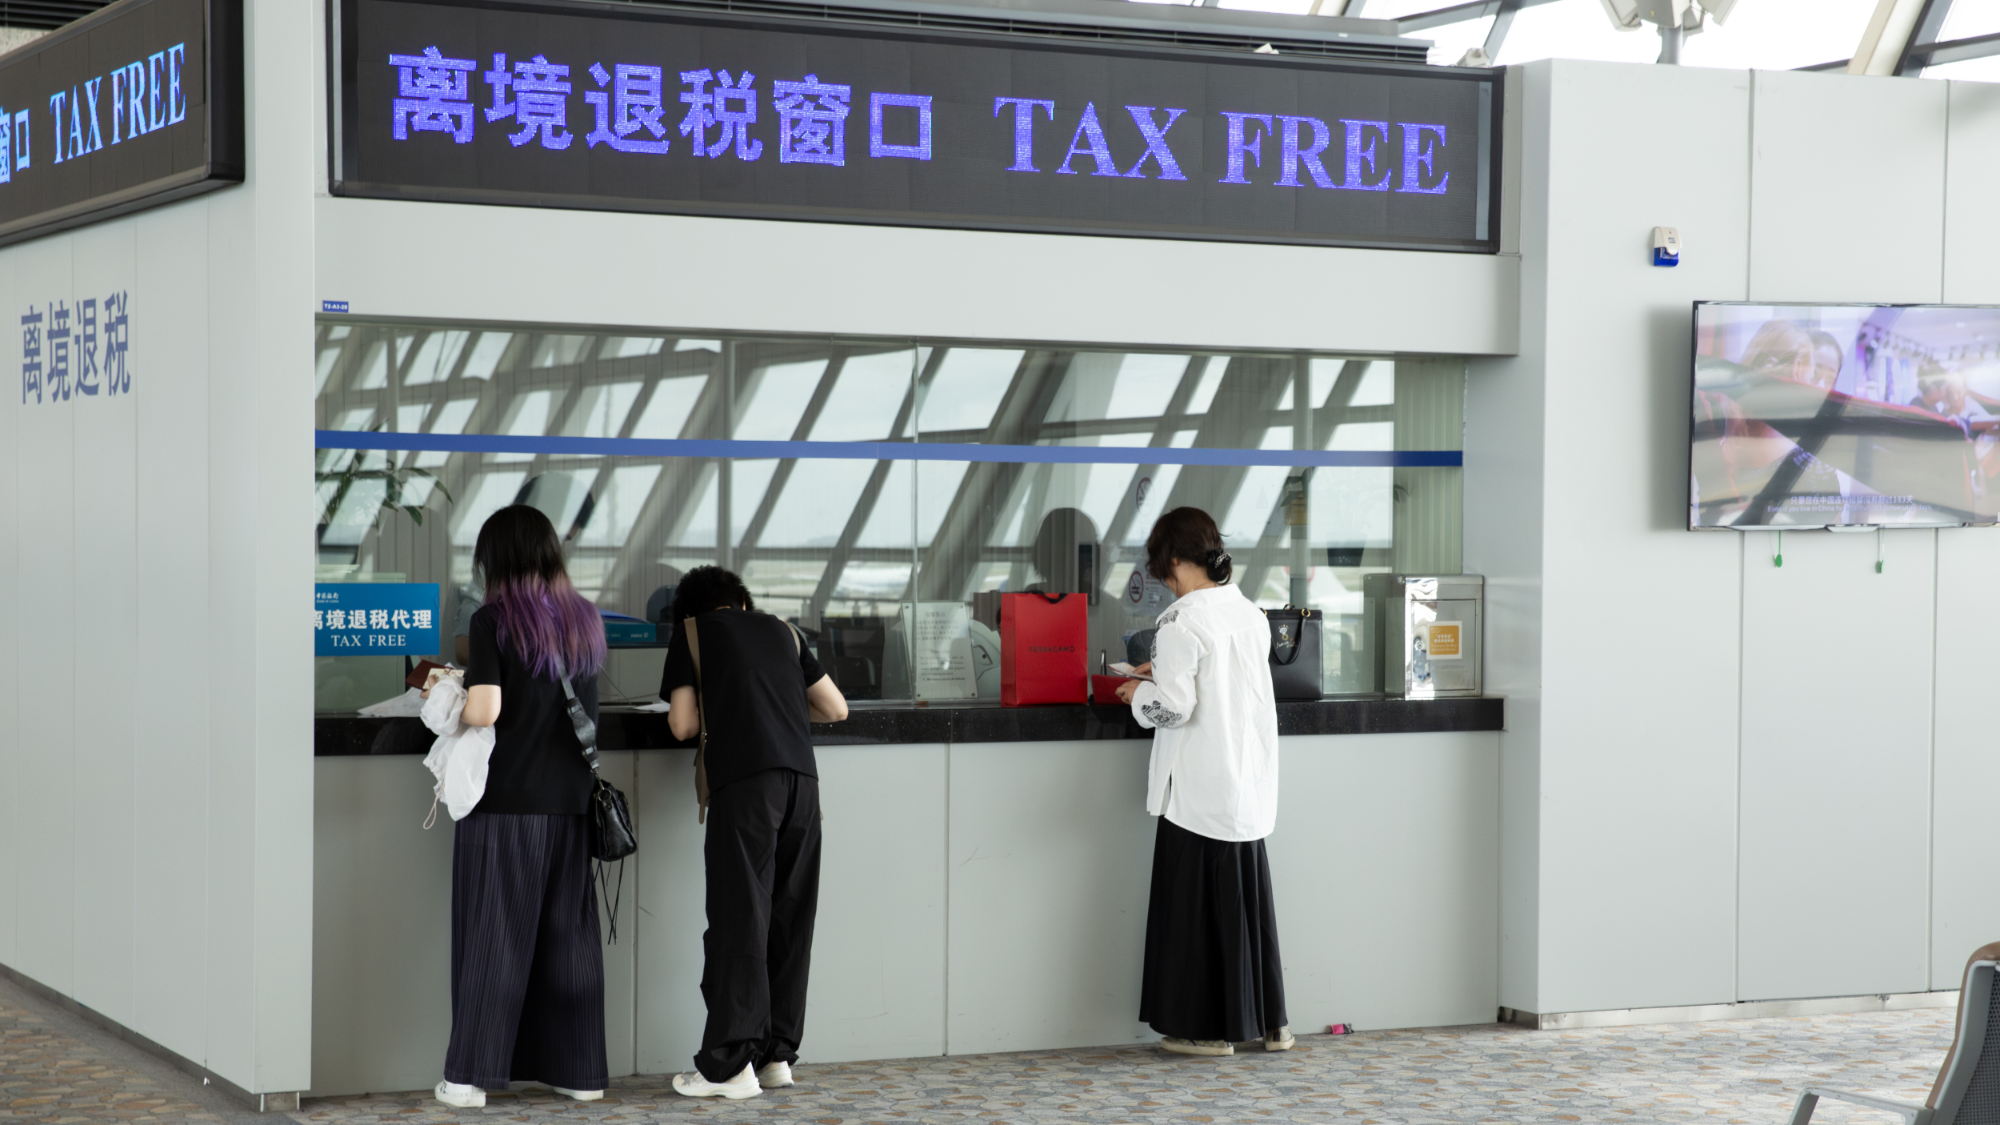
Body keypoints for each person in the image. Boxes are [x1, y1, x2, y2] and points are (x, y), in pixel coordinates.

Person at [435, 504, 610, 1109]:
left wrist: (444, 697)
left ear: (498, 558)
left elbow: (485, 709)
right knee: (569, 941)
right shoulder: (584, 619)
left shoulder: (494, 619)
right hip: (572, 804)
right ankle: (580, 1072)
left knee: (495, 939)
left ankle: (468, 1079)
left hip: (507, 804)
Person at [660, 567, 850, 1100]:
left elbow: (681, 724)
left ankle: (729, 1066)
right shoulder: (784, 631)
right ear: (743, 602)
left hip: (746, 786)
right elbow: (836, 707)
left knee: (739, 917)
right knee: (790, 917)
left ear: (690, 611)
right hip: (803, 785)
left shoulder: (693, 633)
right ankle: (774, 1057)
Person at [1114, 507, 1288, 1058]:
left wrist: (1137, 693)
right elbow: (1225, 682)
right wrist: (1162, 672)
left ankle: (1204, 1032)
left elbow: (1174, 708)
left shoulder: (1180, 622)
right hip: (1245, 782)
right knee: (1247, 909)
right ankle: (1271, 1025)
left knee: (1193, 915)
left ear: (1171, 561)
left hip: (1197, 791)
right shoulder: (1249, 613)